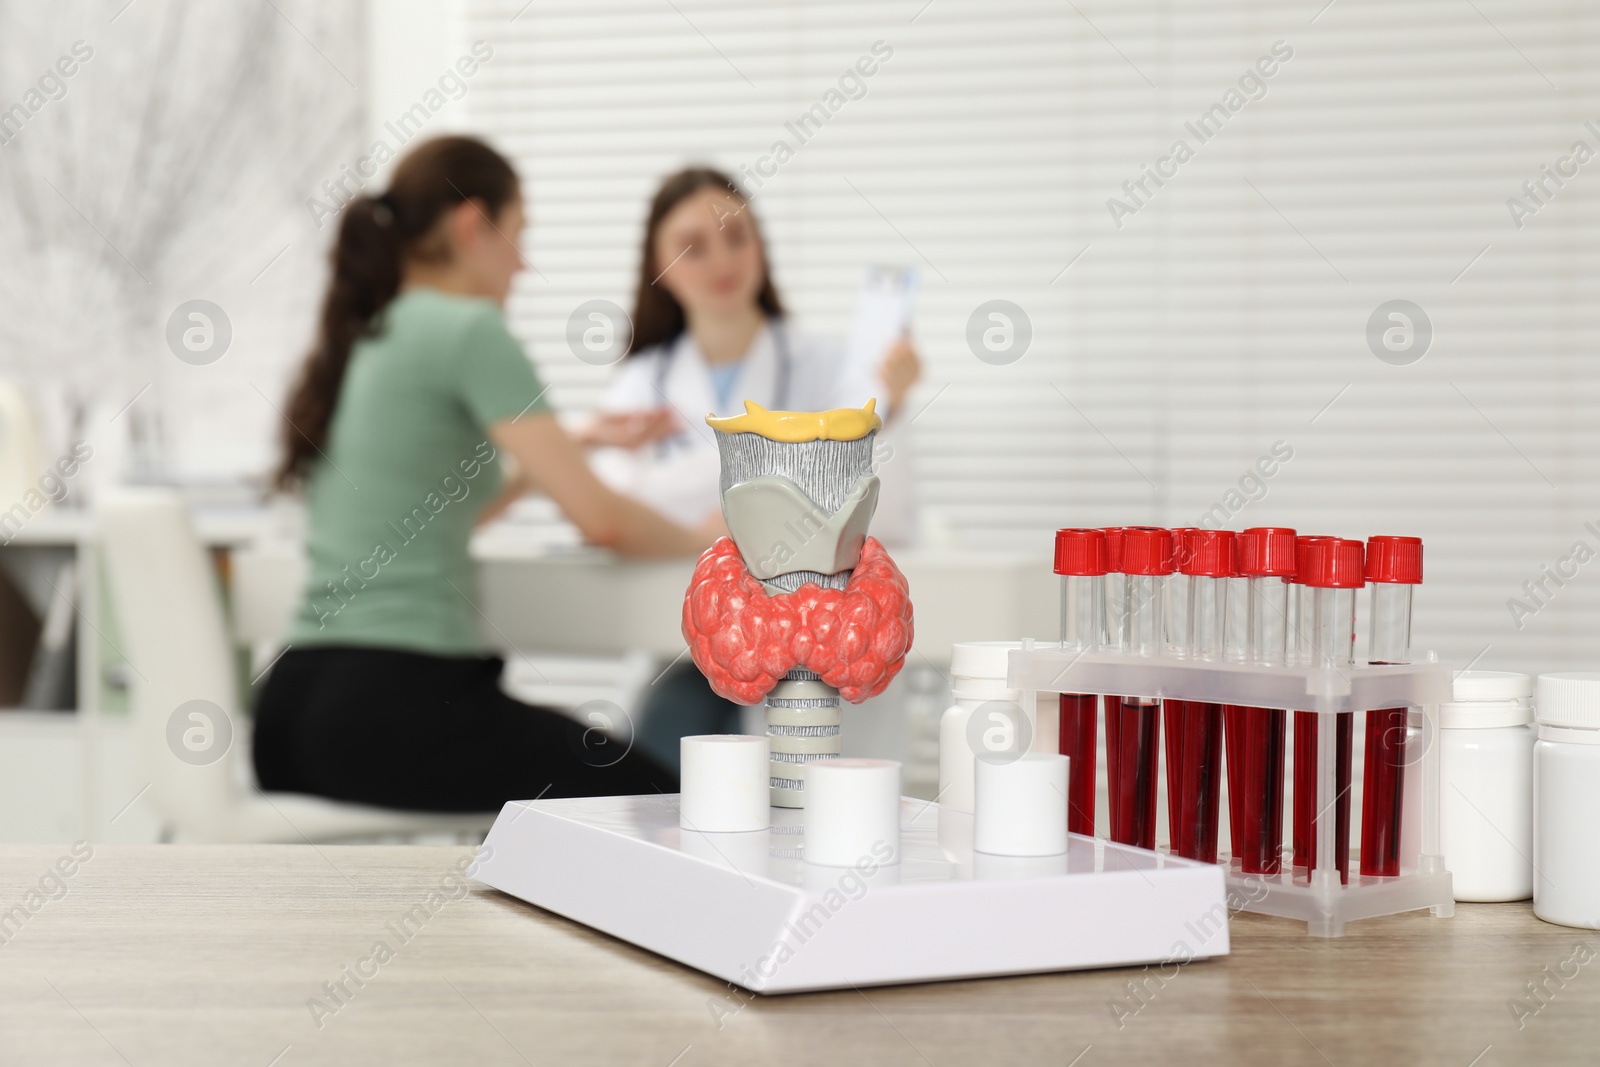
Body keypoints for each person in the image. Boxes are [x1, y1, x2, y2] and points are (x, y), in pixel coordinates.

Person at [253, 136, 720, 812]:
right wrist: (710, 539)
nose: (523, 265)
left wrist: (572, 443)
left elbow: (443, 509)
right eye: (518, 235)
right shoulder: (470, 329)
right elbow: (605, 522)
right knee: (666, 804)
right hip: (395, 709)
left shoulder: (367, 332)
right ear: (474, 225)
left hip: (295, 713)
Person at [578, 167, 922, 772]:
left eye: (736, 237)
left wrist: (891, 408)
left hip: (806, 649)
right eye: (692, 246)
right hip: (684, 646)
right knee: (666, 789)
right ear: (657, 264)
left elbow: (875, 507)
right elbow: (605, 513)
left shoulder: (828, 366)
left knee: (800, 804)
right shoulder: (639, 382)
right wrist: (773, 497)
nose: (720, 260)